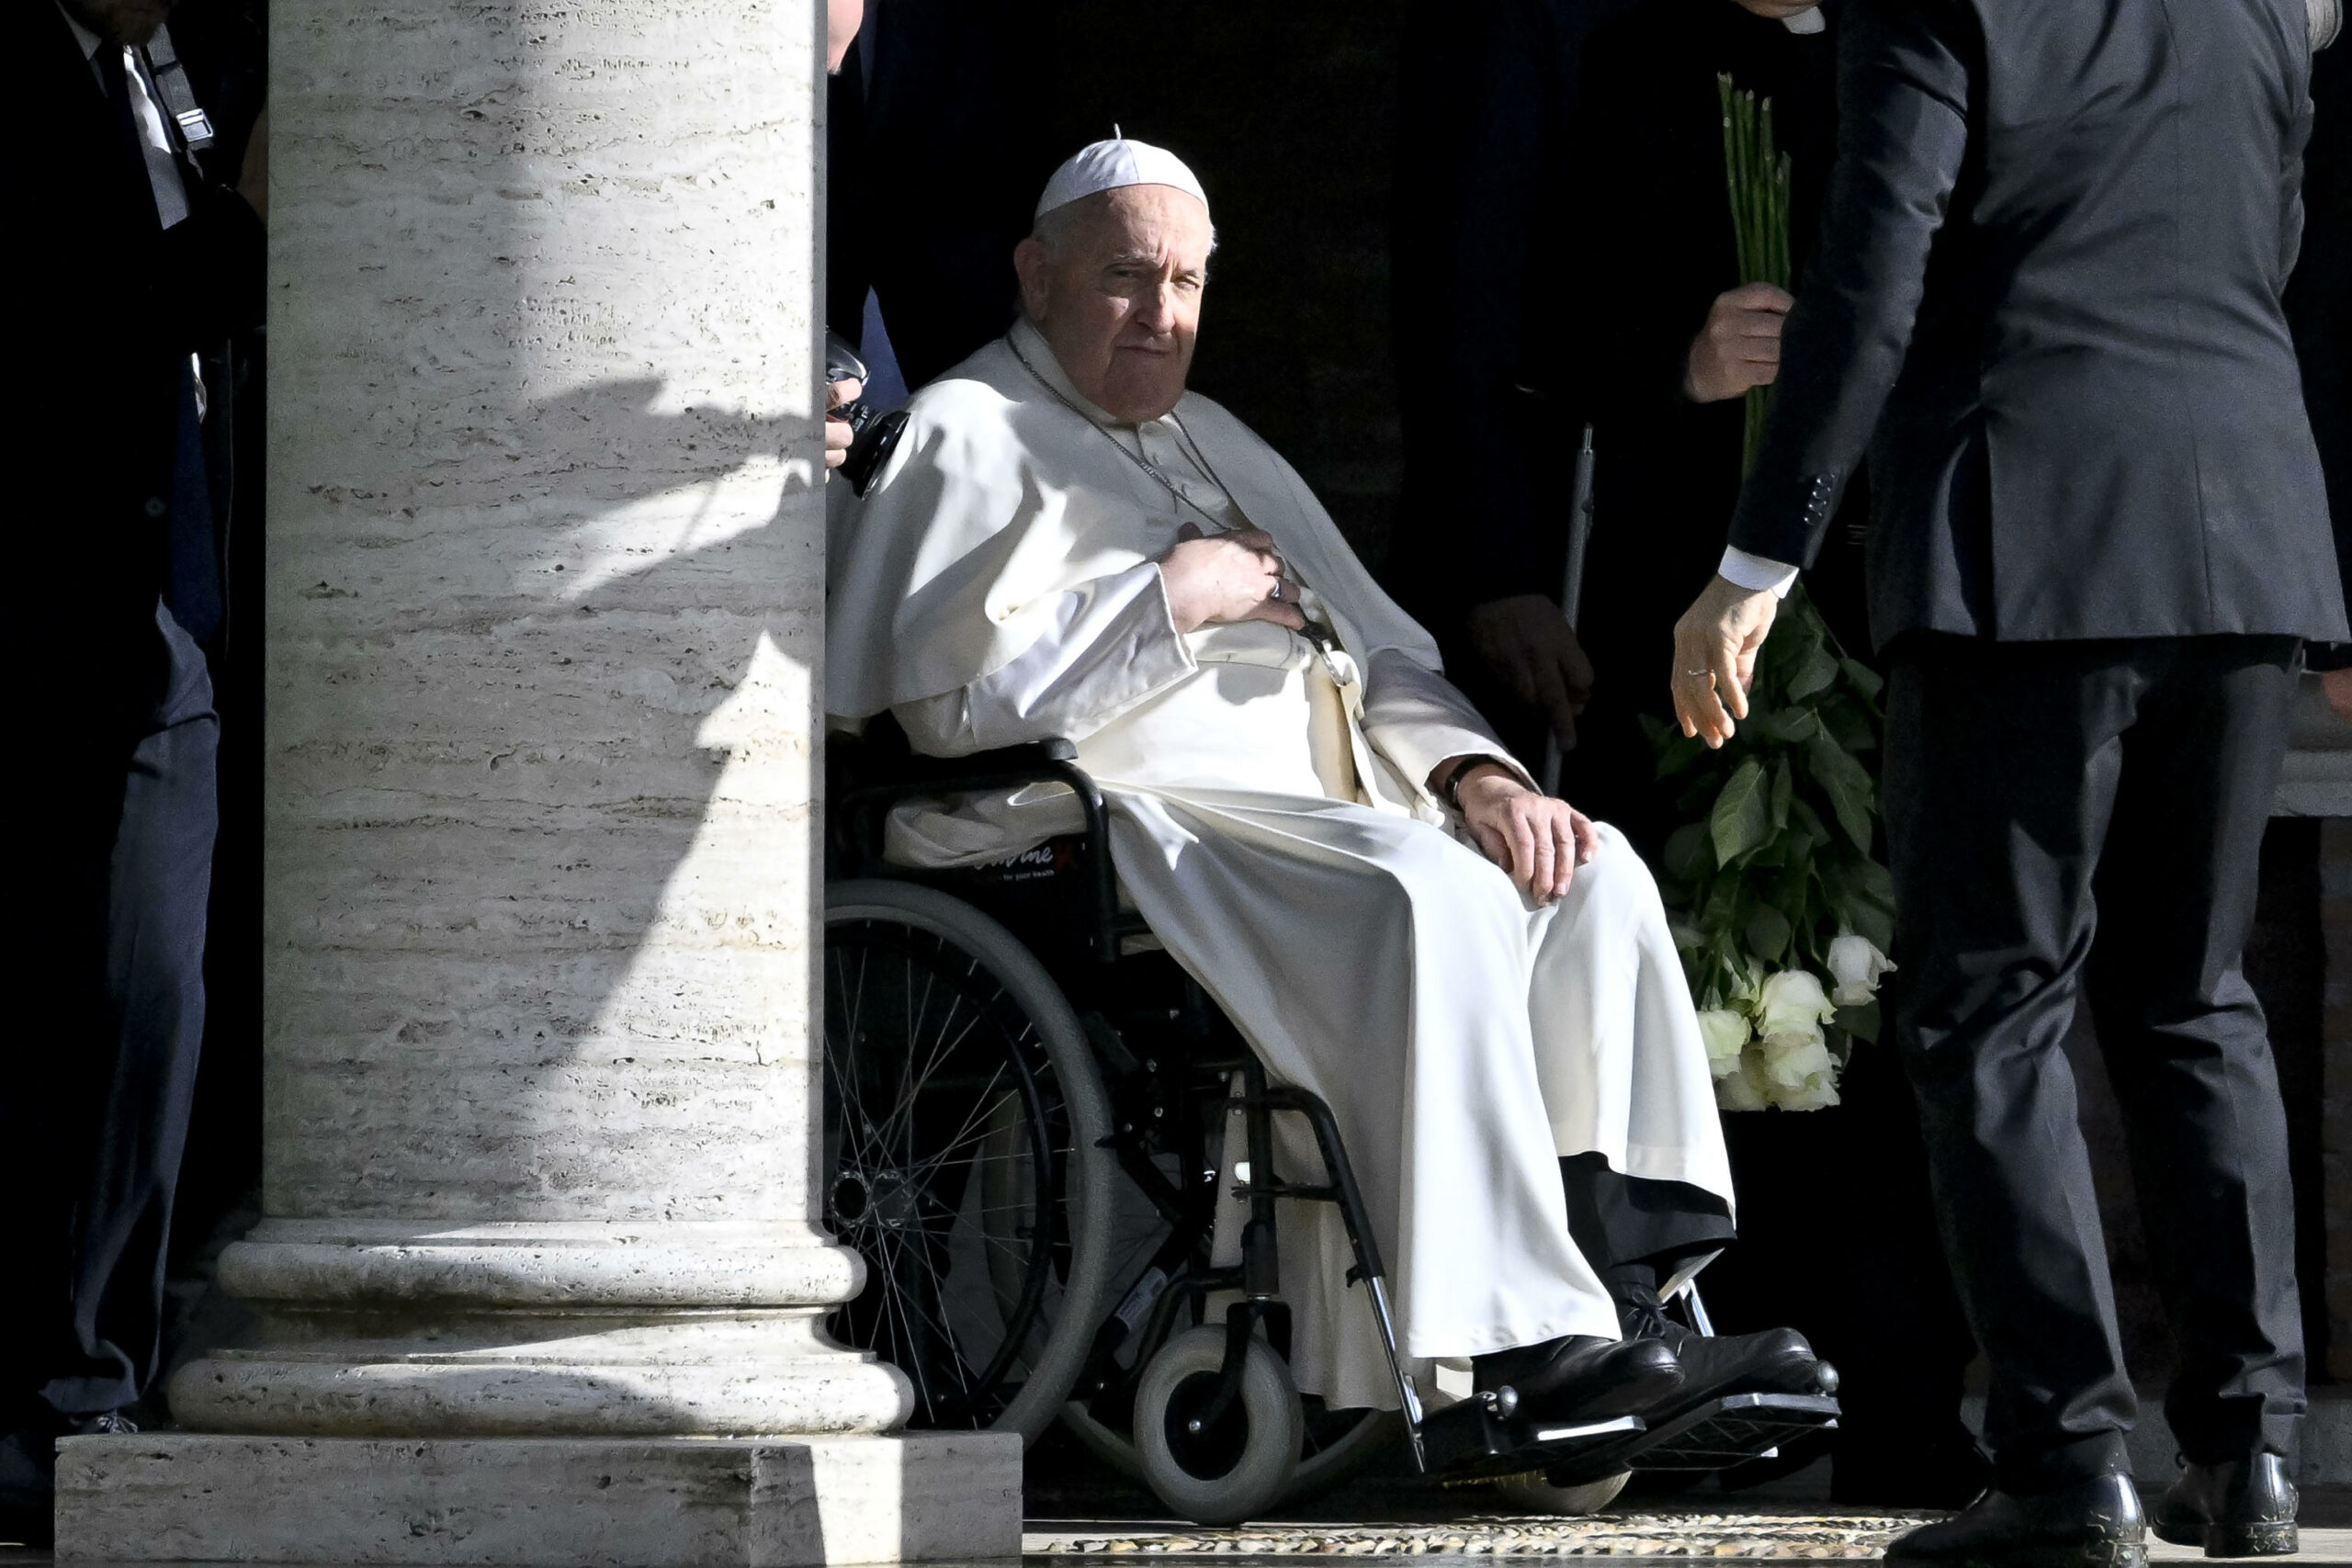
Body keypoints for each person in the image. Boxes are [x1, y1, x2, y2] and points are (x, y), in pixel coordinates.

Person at [829, 136, 1821, 1427]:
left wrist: (1479, 776)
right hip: (1131, 820)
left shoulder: (1222, 438)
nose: (1163, 315)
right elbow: (948, 707)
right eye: (1129, 277)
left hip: (1336, 808)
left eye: (1187, 283)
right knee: (1428, 897)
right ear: (1036, 272)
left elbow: (1384, 653)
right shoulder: (967, 428)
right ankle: (1511, 1354)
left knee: (1583, 868)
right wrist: (1170, 602)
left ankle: (1626, 1299)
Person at [1671, 0, 2345, 1560]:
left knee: (1990, 1004)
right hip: (2241, 529)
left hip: (2024, 536)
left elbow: (1870, 275)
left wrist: (1755, 558)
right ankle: (2253, 1453)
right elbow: (2272, 242)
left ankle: (2069, 1459)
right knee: (2195, 993)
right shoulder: (2252, 8)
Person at [1566, 0, 1984, 1508]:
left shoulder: (1916, 43)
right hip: (1683, 610)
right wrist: (1685, 362)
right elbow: (1548, 326)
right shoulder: (1635, 60)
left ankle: (1903, 1401)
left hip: (1883, 615)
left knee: (1881, 1024)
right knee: (1700, 1017)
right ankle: (1709, 1394)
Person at [1, 0, 264, 1547]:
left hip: (175, 616)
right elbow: (75, 301)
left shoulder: (162, 72)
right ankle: (63, 1399)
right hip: (55, 627)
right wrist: (260, 235)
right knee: (86, 1011)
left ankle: (97, 1382)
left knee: (156, 1007)